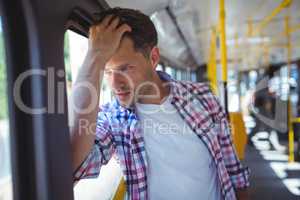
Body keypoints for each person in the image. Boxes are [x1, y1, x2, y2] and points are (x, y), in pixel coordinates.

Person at [70, 7, 249, 200]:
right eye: (107, 71)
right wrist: (94, 57)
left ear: (153, 58)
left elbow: (234, 171)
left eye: (125, 68)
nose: (115, 84)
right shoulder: (112, 119)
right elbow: (74, 165)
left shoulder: (203, 97)